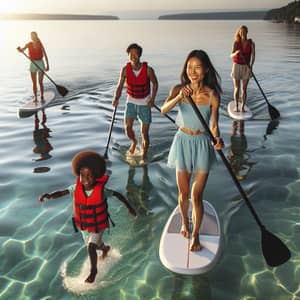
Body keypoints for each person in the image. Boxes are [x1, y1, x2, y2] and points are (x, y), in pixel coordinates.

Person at [39, 150, 137, 283]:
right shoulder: (75, 188)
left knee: (91, 247)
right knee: (95, 246)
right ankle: (105, 248)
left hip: (98, 226)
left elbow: (117, 195)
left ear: (96, 175)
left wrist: (129, 208)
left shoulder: (101, 191)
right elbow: (62, 192)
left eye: (89, 175)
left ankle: (93, 271)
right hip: (85, 226)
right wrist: (50, 195)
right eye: (82, 175)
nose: (85, 179)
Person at [161, 50, 224, 251]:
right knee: (184, 192)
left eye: (197, 67)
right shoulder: (179, 89)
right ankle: (184, 223)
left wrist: (218, 139)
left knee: (196, 195)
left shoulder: (213, 95)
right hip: (182, 142)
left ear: (205, 69)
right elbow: (164, 110)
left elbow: (213, 126)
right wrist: (179, 96)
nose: (193, 71)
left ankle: (195, 234)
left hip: (202, 144)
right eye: (189, 67)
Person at [112, 43, 158, 163]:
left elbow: (155, 84)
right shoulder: (125, 70)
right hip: (131, 102)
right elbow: (120, 85)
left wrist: (152, 99)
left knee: (144, 133)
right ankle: (134, 142)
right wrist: (116, 98)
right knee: (127, 128)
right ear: (128, 55)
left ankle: (144, 155)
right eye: (130, 54)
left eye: (135, 54)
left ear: (139, 55)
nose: (133, 56)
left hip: (145, 103)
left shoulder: (148, 70)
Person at [17, 31, 49, 101]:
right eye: (32, 36)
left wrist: (47, 65)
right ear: (31, 37)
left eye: (34, 36)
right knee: (34, 82)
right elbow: (22, 50)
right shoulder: (29, 44)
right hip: (33, 64)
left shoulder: (40, 44)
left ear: (36, 36)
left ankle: (42, 96)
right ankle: (35, 98)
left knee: (40, 82)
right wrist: (19, 50)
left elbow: (45, 55)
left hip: (40, 63)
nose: (33, 37)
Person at [230, 25, 255, 112]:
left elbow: (253, 56)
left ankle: (243, 107)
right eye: (241, 32)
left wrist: (251, 66)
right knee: (237, 88)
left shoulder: (251, 43)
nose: (242, 33)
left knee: (244, 89)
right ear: (239, 33)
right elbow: (231, 55)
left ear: (247, 32)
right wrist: (236, 52)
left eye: (244, 31)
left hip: (246, 67)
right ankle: (236, 106)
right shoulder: (236, 43)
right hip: (236, 66)